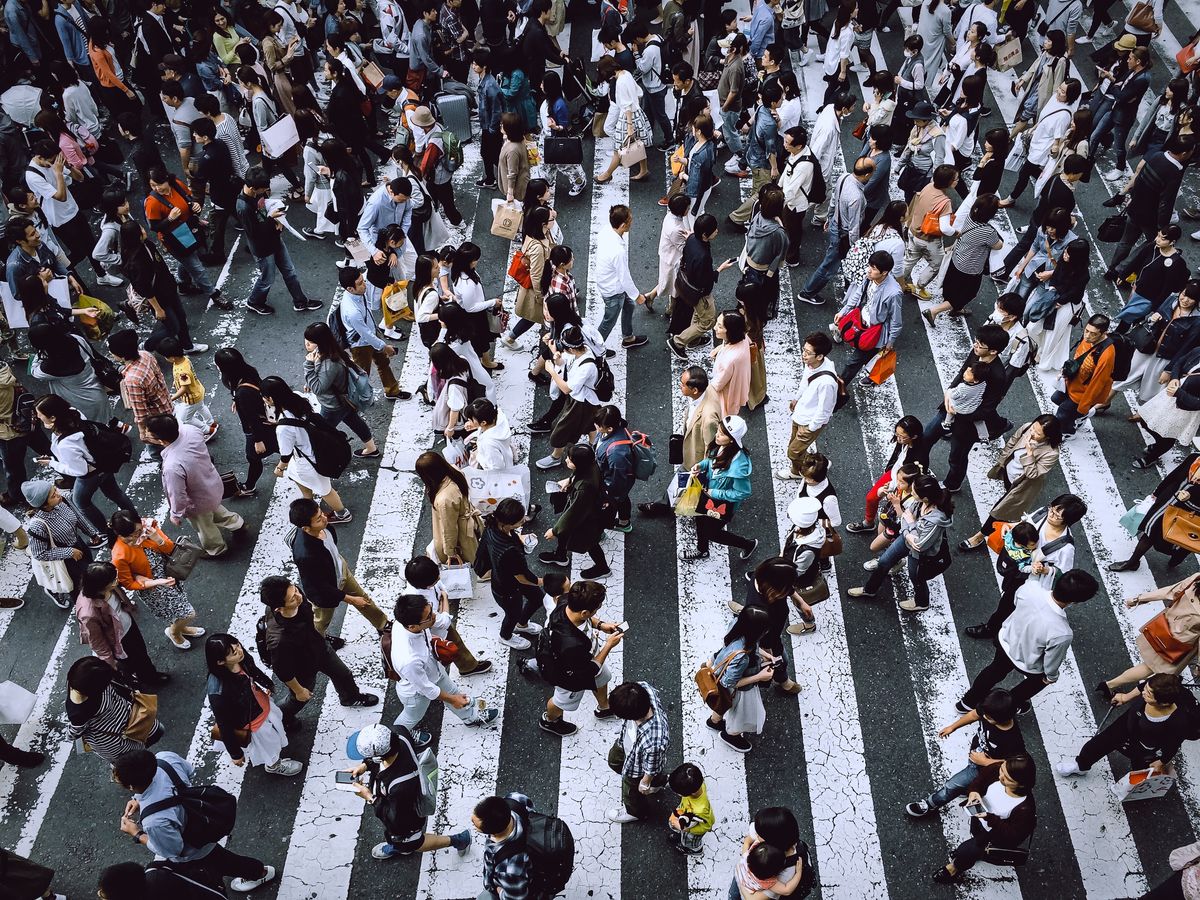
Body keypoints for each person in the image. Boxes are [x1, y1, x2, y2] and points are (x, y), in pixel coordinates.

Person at [111, 748, 278, 892]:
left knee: (216, 865)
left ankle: (258, 873)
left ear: (131, 786)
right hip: (203, 816)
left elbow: (173, 850)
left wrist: (137, 834)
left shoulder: (154, 822)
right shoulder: (164, 759)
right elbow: (189, 772)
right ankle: (257, 872)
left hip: (195, 848)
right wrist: (141, 800)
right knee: (221, 859)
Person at [958, 569, 1098, 714]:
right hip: (1028, 663)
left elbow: (1016, 600)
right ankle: (1009, 706)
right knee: (1034, 684)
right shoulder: (1062, 633)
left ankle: (967, 702)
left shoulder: (1030, 588)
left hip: (1006, 640)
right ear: (1075, 602)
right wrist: (1051, 677)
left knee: (994, 670)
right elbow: (1052, 661)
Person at [258, 576, 379, 725]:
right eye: (292, 598)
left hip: (319, 647)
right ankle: (280, 718)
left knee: (343, 674)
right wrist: (299, 690)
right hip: (302, 668)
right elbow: (282, 671)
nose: (298, 596)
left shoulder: (297, 596)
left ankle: (350, 698)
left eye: (295, 589)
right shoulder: (280, 641)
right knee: (298, 700)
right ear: (278, 608)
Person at [345, 723, 472, 860]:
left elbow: (394, 818)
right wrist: (365, 765)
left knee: (413, 842)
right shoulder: (398, 733)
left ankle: (459, 840)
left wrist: (369, 797)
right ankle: (398, 844)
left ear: (380, 757)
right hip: (404, 801)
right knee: (401, 840)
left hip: (407, 816)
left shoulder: (400, 787)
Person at [389, 593, 500, 744]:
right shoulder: (410, 660)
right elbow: (427, 689)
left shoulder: (403, 624)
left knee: (453, 690)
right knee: (412, 716)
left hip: (433, 670)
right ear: (413, 626)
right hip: (415, 692)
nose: (434, 616)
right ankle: (398, 737)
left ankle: (470, 717)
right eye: (428, 617)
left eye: (431, 610)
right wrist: (453, 700)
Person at [523, 578, 622, 736]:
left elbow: (587, 618)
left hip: (589, 659)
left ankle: (605, 707)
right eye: (596, 608)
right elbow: (590, 670)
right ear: (584, 612)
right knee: (561, 701)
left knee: (602, 678)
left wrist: (601, 625)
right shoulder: (571, 644)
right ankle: (550, 720)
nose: (598, 609)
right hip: (571, 676)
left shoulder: (566, 601)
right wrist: (609, 645)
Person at [905, 689, 1026, 818]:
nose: (983, 716)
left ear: (1000, 719)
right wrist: (953, 727)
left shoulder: (1013, 740)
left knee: (951, 786)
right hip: (977, 758)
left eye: (988, 717)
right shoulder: (990, 710)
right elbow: (974, 715)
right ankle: (967, 788)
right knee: (966, 782)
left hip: (984, 768)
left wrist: (985, 762)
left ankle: (930, 804)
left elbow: (1015, 763)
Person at [32, 394, 138, 540]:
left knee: (81, 502)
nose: (38, 416)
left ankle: (107, 534)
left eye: (40, 414)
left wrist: (52, 463)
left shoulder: (65, 444)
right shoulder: (74, 413)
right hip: (104, 462)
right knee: (114, 492)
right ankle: (135, 520)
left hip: (90, 475)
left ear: (53, 417)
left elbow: (79, 470)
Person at [144, 415, 246, 559]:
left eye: (149, 434)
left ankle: (217, 549)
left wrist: (176, 514)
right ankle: (237, 524)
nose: (145, 435)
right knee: (216, 509)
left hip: (196, 501)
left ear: (161, 440)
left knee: (205, 527)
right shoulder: (190, 430)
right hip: (212, 484)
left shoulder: (172, 466)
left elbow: (178, 494)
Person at [848, 474, 953, 612]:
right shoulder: (921, 502)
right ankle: (869, 589)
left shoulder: (936, 520)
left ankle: (922, 602)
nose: (911, 493)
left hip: (921, 555)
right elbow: (904, 517)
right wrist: (909, 533)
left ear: (925, 498)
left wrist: (909, 525)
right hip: (907, 540)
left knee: (916, 578)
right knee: (884, 561)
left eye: (914, 492)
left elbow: (920, 545)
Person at [1058, 674, 1193, 779]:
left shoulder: (1178, 722)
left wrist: (1162, 761)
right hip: (1128, 724)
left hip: (1147, 745)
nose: (1144, 693)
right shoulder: (1156, 685)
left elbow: (1173, 744)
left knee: (1141, 769)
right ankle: (1081, 765)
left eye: (1149, 694)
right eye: (1146, 689)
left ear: (1164, 703)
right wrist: (1125, 697)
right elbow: (1143, 686)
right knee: (1099, 743)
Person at [959, 416, 1063, 552]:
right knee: (1006, 500)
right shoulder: (1027, 426)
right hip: (1010, 474)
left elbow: (1032, 474)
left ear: (1048, 437)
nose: (1032, 433)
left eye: (1038, 433)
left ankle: (980, 536)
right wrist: (1002, 462)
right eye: (1033, 428)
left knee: (999, 511)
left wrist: (1030, 454)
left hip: (1023, 485)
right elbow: (1012, 442)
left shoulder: (1051, 453)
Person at [286, 497, 389, 635]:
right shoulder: (306, 556)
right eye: (318, 519)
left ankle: (383, 624)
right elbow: (321, 586)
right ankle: (318, 640)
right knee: (321, 621)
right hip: (325, 593)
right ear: (305, 528)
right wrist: (350, 599)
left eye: (321, 513)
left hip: (340, 571)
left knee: (364, 600)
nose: (324, 518)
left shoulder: (324, 527)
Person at [205, 633, 303, 777]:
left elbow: (253, 671)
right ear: (220, 662)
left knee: (274, 732)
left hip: (261, 706)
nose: (239, 651)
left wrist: (267, 683)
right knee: (269, 746)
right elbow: (224, 725)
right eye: (233, 653)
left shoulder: (241, 659)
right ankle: (274, 765)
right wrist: (236, 754)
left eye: (237, 645)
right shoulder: (218, 692)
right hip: (253, 723)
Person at [931, 756, 1037, 884]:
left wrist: (988, 817)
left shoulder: (1026, 809)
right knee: (973, 839)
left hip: (992, 836)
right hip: (978, 819)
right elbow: (979, 780)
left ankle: (955, 868)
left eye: (1008, 779)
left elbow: (1013, 835)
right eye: (1002, 769)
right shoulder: (997, 769)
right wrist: (973, 792)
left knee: (966, 851)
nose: (1000, 776)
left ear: (1021, 784)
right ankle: (971, 856)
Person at [235, 167, 324, 316]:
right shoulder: (243, 207)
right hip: (262, 248)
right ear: (252, 188)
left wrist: (277, 219)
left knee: (290, 272)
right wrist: (272, 219)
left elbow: (263, 210)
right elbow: (254, 233)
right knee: (267, 278)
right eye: (262, 189)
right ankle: (254, 301)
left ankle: (300, 301)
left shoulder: (256, 193)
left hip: (274, 238)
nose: (264, 192)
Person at [110, 510, 203, 651]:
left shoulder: (148, 527)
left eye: (139, 529)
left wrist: (156, 538)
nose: (139, 534)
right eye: (134, 534)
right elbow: (129, 584)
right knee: (188, 613)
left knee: (180, 609)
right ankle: (174, 632)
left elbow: (170, 548)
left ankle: (181, 628)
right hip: (154, 589)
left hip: (169, 574)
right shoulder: (119, 555)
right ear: (121, 535)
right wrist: (157, 582)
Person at [1100, 575, 1200, 696]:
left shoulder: (1197, 579)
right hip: (1179, 644)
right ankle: (1115, 689)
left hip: (1163, 628)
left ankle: (1111, 687)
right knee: (1159, 674)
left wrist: (1139, 599)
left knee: (1149, 667)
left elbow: (1170, 591)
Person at [120, 221, 211, 350]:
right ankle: (148, 345)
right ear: (136, 236)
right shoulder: (136, 261)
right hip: (159, 297)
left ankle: (188, 346)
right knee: (173, 327)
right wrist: (157, 308)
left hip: (169, 288)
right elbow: (144, 287)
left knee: (181, 317)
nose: (144, 230)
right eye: (141, 230)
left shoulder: (146, 244)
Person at [683, 415, 757, 562]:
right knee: (699, 519)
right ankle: (702, 550)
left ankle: (748, 544)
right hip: (707, 496)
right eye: (718, 430)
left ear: (732, 439)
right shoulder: (721, 446)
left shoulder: (739, 466)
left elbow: (742, 492)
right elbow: (711, 462)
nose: (717, 435)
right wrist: (700, 465)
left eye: (722, 434)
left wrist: (714, 492)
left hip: (720, 504)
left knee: (712, 533)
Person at [705, 604, 777, 753]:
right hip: (738, 689)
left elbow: (751, 644)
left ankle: (714, 721)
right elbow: (729, 682)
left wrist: (767, 656)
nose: (766, 632)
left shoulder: (736, 624)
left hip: (718, 671)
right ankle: (730, 735)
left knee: (723, 700)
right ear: (756, 632)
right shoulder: (742, 658)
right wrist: (759, 676)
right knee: (742, 714)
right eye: (764, 630)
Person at [303, 321, 380, 458]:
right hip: (343, 400)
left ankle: (331, 456)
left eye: (311, 341)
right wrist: (311, 379)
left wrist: (309, 366)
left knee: (322, 432)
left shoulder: (329, 364)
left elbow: (318, 388)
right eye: (306, 340)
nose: (306, 344)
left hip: (333, 405)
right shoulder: (330, 350)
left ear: (320, 342)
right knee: (354, 421)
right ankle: (371, 448)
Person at [1111, 453, 1200, 572]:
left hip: (1188, 513)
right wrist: (1157, 492)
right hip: (1166, 503)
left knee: (1175, 541)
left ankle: (1177, 557)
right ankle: (1133, 561)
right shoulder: (1194, 458)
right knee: (1150, 531)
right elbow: (1173, 476)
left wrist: (1190, 497)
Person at [476, 498, 543, 650]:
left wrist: (520, 539)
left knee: (537, 598)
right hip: (507, 588)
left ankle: (522, 624)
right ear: (508, 523)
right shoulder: (509, 552)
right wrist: (542, 581)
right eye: (520, 520)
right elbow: (522, 578)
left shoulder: (492, 527)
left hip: (502, 578)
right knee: (513, 613)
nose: (524, 520)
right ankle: (505, 636)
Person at [538, 442, 611, 579]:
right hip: (591, 512)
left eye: (570, 460)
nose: (566, 460)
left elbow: (574, 513)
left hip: (588, 519)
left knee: (590, 543)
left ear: (579, 464)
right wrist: (570, 479)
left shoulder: (585, 488)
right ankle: (560, 555)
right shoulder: (591, 465)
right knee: (568, 533)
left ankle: (603, 568)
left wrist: (554, 531)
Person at [830, 250, 904, 385]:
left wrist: (890, 342)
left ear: (884, 272)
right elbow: (858, 294)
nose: (869, 270)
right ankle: (871, 377)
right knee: (868, 356)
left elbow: (896, 320)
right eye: (869, 266)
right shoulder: (870, 278)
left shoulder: (894, 293)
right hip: (863, 322)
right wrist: (844, 311)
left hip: (875, 332)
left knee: (854, 362)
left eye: (873, 268)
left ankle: (839, 387)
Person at [337, 266, 406, 401]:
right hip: (360, 345)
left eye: (363, 280)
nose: (365, 285)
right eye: (360, 283)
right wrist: (384, 347)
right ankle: (360, 398)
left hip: (371, 336)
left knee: (383, 363)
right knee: (363, 374)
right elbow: (365, 335)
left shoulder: (355, 294)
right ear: (350, 289)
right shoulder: (352, 311)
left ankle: (392, 390)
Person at [214, 348, 275, 498]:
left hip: (257, 430)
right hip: (265, 424)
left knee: (253, 457)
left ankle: (249, 486)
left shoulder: (243, 393)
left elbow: (252, 419)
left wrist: (258, 440)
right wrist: (236, 399)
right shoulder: (247, 372)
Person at [777, 332, 838, 478]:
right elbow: (805, 381)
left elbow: (825, 410)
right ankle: (819, 462)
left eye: (808, 352)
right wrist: (797, 398)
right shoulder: (811, 365)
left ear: (820, 356)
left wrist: (810, 428)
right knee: (796, 448)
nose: (803, 354)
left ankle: (797, 472)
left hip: (809, 422)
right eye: (804, 350)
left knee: (793, 452)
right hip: (800, 414)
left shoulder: (827, 383)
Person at [608, 681, 670, 823]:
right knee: (614, 760)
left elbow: (651, 766)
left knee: (631, 790)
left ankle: (635, 812)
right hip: (628, 746)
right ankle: (658, 782)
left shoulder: (654, 740)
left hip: (637, 766)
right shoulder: (643, 689)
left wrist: (645, 782)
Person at [108, 329, 172, 452]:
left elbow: (141, 412)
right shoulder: (146, 355)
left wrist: (143, 432)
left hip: (155, 419)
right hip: (165, 404)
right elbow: (160, 378)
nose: (111, 354)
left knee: (156, 451)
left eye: (112, 352)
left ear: (121, 356)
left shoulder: (132, 380)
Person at [594, 205, 649, 349]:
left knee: (629, 306)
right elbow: (624, 277)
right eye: (630, 220)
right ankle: (594, 350)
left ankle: (628, 338)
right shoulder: (618, 251)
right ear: (623, 225)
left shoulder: (606, 231)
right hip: (613, 290)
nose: (632, 222)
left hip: (609, 283)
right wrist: (637, 296)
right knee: (609, 321)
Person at [1053, 314, 1116, 437]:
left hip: (1082, 393)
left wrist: (1084, 406)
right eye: (1086, 331)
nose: (1087, 336)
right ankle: (1079, 416)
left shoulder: (1107, 355)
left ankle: (1068, 432)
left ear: (1103, 333)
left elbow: (1097, 384)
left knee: (1062, 413)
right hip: (1071, 383)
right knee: (1056, 399)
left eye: (1093, 333)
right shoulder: (1088, 340)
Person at [415, 451, 482, 565]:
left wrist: (450, 552)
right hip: (468, 521)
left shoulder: (444, 499)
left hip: (462, 533)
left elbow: (449, 528)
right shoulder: (454, 471)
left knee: (468, 560)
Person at [158, 337, 216, 440]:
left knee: (185, 419)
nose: (165, 359)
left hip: (191, 398)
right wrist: (176, 383)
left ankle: (207, 430)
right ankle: (211, 423)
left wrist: (171, 398)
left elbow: (184, 389)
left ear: (172, 357)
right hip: (197, 390)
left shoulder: (182, 370)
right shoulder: (184, 360)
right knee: (201, 407)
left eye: (165, 357)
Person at [710, 311, 752, 418]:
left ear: (730, 331)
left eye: (720, 326)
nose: (715, 328)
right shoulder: (744, 338)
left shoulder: (730, 360)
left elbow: (717, 384)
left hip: (727, 392)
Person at [667, 763, 714, 855]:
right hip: (686, 812)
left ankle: (695, 850)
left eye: (678, 793)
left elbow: (706, 826)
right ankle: (681, 836)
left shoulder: (700, 810)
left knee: (690, 842)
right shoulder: (698, 784)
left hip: (693, 831)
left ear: (689, 793)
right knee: (682, 835)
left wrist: (686, 830)